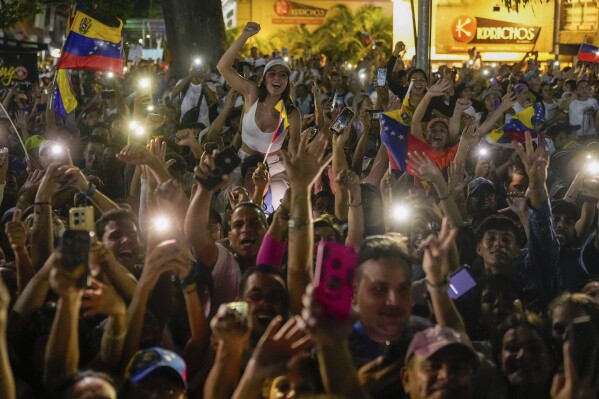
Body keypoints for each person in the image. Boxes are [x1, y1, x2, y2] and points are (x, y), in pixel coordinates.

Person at [217, 22, 301, 207]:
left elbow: (294, 146)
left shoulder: (291, 113)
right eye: (272, 74)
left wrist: (294, 174)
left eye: (282, 75)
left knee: (281, 208)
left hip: (273, 167)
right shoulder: (251, 93)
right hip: (241, 163)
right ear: (264, 79)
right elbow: (223, 67)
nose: (277, 78)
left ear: (287, 82)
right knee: (229, 205)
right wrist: (245, 36)